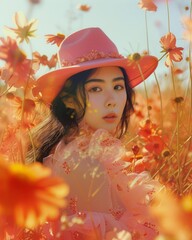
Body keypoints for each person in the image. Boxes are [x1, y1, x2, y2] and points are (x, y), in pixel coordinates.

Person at [27, 27, 159, 239]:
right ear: (69, 100)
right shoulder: (83, 162)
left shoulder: (77, 148)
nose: (111, 100)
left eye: (118, 87)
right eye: (95, 89)